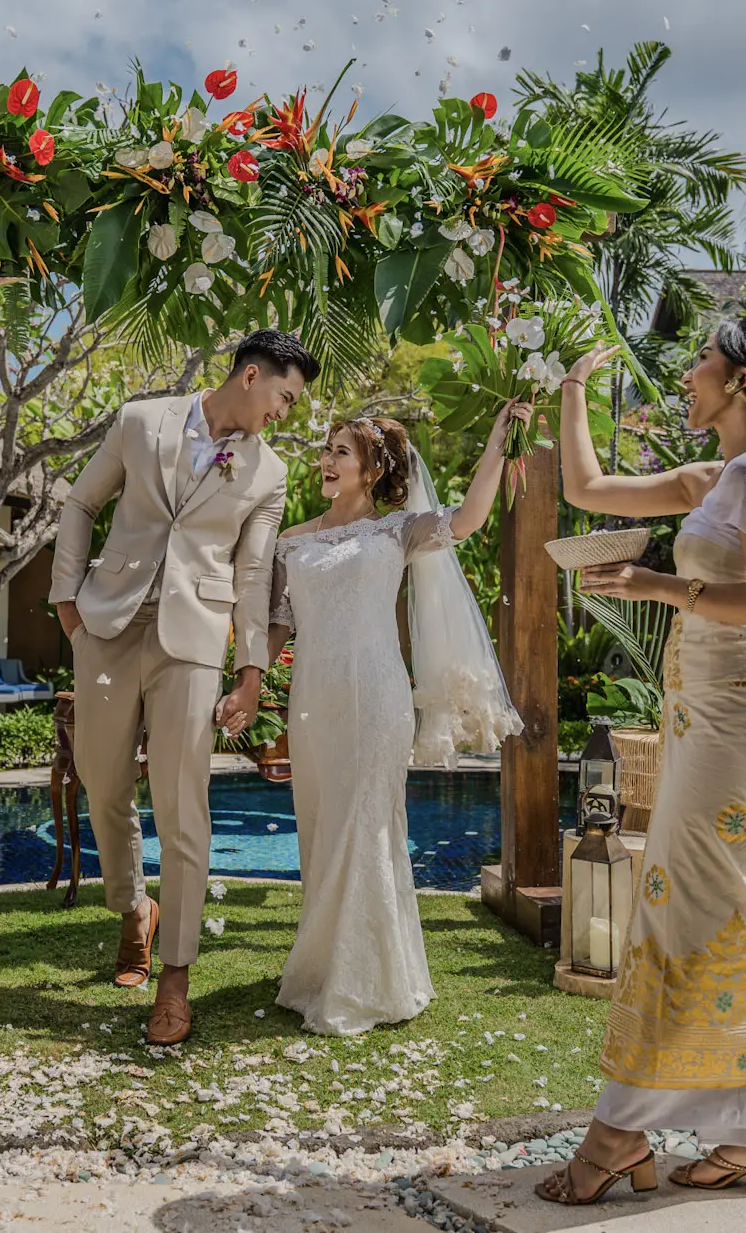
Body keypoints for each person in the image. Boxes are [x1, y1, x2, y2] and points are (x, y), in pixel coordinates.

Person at [536, 299, 746, 1204]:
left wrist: (656, 583)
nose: (689, 372)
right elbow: (588, 490)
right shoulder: (722, 474)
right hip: (701, 712)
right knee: (729, 908)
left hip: (733, 722)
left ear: (743, 378)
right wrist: (572, 388)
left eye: (703, 358)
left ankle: (619, 1135)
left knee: (686, 907)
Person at [48, 331, 311, 1046]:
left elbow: (254, 576)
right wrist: (67, 605)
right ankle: (135, 906)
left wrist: (251, 673)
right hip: (105, 625)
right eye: (284, 396)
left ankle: (175, 977)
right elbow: (79, 504)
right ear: (250, 375)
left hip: (194, 642)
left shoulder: (270, 473)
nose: (284, 412)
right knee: (102, 782)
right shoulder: (141, 420)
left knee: (181, 801)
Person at [267, 405, 527, 1035]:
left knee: (366, 824)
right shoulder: (291, 540)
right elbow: (277, 630)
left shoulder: (398, 533)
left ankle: (367, 982)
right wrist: (246, 688)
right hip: (312, 703)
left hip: (377, 698)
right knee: (324, 825)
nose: (327, 461)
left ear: (374, 468)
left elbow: (467, 520)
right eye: (326, 449)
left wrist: (494, 442)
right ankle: (325, 968)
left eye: (342, 453)